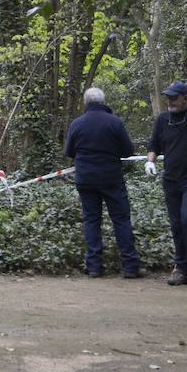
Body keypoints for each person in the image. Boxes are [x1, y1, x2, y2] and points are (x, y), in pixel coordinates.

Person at [64, 87, 145, 279]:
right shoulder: (115, 122)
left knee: (91, 220)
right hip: (111, 178)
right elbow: (128, 150)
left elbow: (69, 152)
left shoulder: (76, 124)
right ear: (103, 102)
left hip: (85, 179)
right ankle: (130, 267)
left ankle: (94, 266)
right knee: (121, 220)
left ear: (85, 103)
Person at [144, 80, 187, 287]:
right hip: (171, 179)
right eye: (168, 97)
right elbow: (154, 145)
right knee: (176, 224)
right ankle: (181, 267)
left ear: (186, 97)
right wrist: (150, 161)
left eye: (174, 97)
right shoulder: (163, 120)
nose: (171, 101)